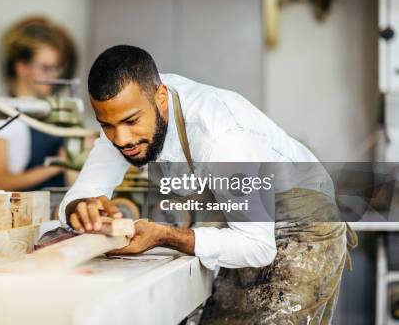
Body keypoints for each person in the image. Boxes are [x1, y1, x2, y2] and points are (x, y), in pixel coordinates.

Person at [58, 45, 355, 324]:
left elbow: (257, 246)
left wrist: (165, 236)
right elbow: (86, 189)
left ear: (160, 97)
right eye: (107, 126)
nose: (121, 139)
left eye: (132, 122)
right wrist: (81, 207)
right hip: (243, 226)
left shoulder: (220, 136)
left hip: (302, 226)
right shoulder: (127, 109)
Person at [0, 17, 76, 191]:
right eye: (45, 68)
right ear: (21, 67)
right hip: (23, 209)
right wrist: (57, 166)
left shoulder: (50, 110)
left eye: (56, 68)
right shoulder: (2, 114)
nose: (53, 76)